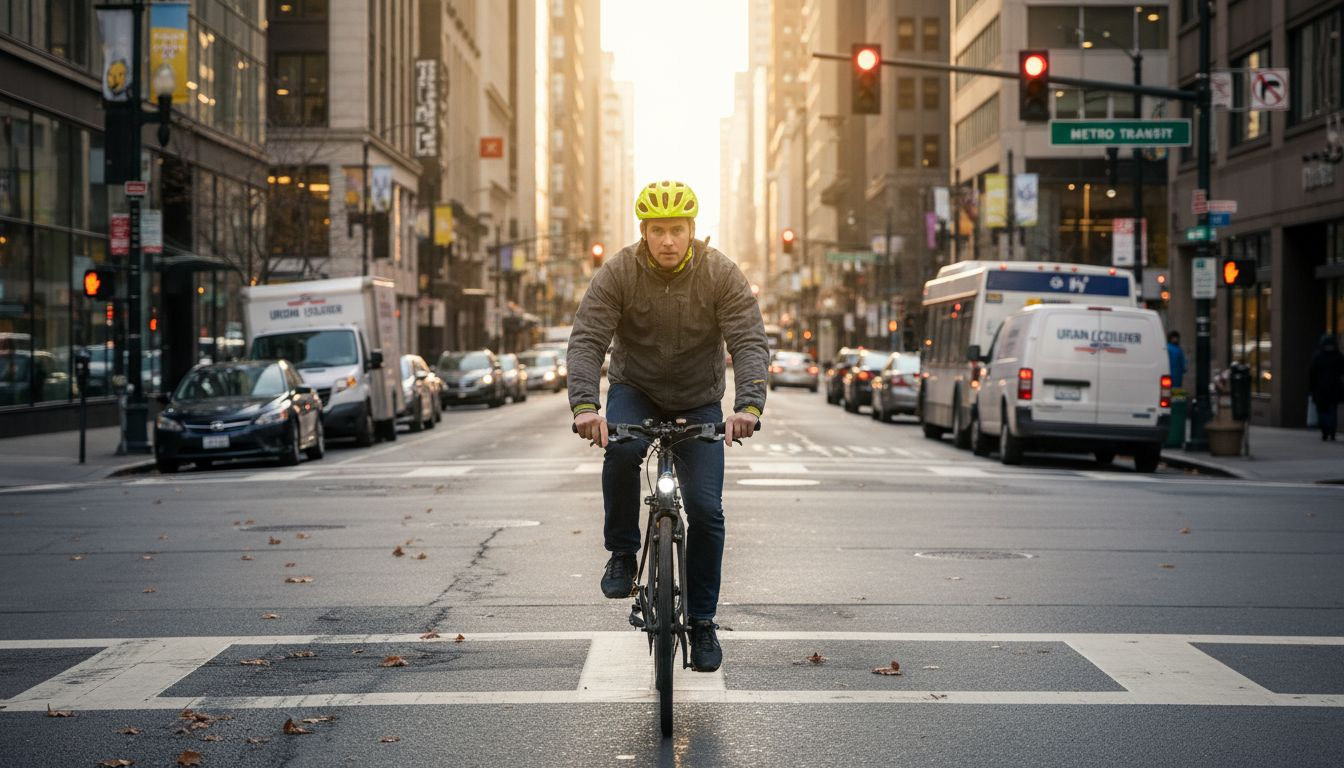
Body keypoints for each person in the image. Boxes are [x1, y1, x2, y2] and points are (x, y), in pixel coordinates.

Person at [568, 180, 768, 673]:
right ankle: (621, 551)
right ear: (644, 232)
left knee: (706, 509)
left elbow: (748, 339)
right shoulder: (618, 272)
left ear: (692, 230)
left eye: (676, 230)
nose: (667, 240)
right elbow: (588, 338)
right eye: (657, 230)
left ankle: (701, 622)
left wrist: (748, 407)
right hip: (635, 390)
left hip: (699, 401)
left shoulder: (720, 273)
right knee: (618, 450)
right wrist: (585, 407)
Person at [1309, 333, 1344, 441]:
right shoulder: (1338, 356)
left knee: (1322, 411)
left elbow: (1312, 373)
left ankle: (1326, 430)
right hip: (1334, 388)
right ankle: (1331, 431)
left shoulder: (1318, 356)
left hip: (1321, 389)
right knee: (1332, 411)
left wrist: (1312, 387)